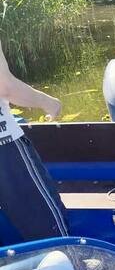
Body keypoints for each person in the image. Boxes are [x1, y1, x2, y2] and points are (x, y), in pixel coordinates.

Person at [0, 39, 69, 241]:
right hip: (4, 146)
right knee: (45, 219)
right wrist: (48, 103)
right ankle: (70, 265)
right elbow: (5, 87)